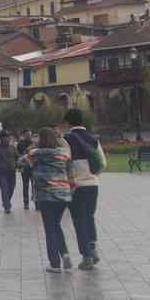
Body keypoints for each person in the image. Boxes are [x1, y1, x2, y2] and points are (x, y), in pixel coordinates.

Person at [63, 108, 105, 271]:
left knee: (79, 221)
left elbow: (64, 162)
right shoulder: (94, 138)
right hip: (93, 184)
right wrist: (92, 174)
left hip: (76, 186)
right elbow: (103, 162)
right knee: (89, 216)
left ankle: (86, 256)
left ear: (68, 122)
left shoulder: (66, 139)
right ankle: (93, 248)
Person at [28, 127, 74, 273]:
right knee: (56, 225)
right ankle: (65, 254)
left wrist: (35, 145)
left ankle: (54, 263)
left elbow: (23, 161)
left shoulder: (35, 154)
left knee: (50, 228)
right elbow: (71, 174)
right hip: (63, 195)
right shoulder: (64, 154)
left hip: (45, 196)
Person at [0, 130, 18, 213]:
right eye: (6, 137)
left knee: (11, 189)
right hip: (1, 173)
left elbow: (17, 157)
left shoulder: (12, 148)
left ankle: (6, 201)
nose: (8, 139)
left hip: (12, 172)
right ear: (1, 138)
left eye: (8, 137)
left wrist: (17, 165)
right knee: (4, 189)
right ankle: (7, 206)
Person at [16, 129, 35, 210]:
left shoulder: (33, 143)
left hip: (33, 167)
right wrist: (31, 148)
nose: (29, 136)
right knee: (25, 185)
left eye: (30, 135)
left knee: (35, 185)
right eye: (27, 135)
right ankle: (26, 203)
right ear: (24, 135)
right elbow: (22, 153)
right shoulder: (20, 143)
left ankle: (36, 202)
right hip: (25, 167)